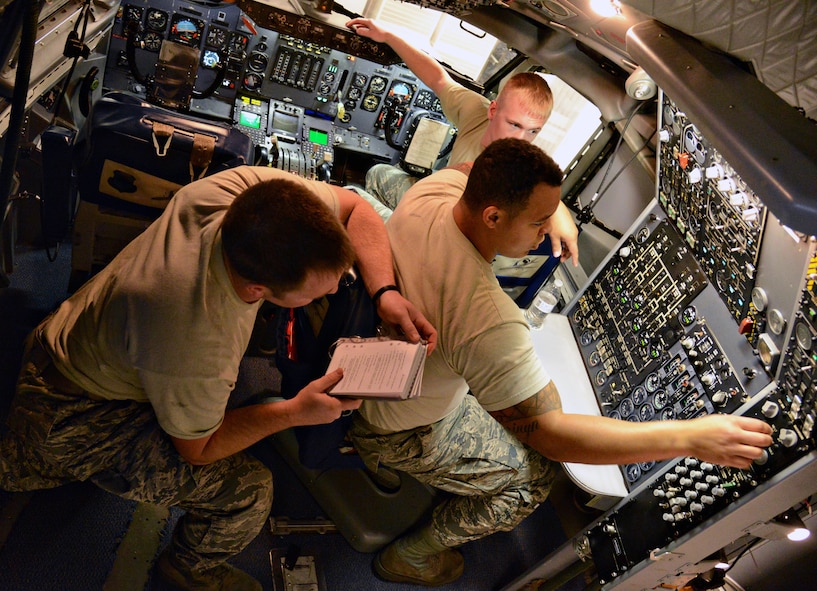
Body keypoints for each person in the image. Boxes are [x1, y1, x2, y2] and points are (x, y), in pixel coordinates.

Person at [347, 138, 774, 587]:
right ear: (493, 215)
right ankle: (410, 557)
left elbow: (477, 163)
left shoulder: (436, 191)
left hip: (376, 373)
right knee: (533, 479)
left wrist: (557, 213)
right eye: (537, 222)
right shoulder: (484, 318)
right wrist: (691, 437)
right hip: (395, 428)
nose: (542, 232)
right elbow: (553, 435)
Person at [0, 166, 436, 591]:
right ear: (256, 291)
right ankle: (188, 569)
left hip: (79, 331)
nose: (335, 287)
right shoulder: (198, 338)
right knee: (248, 493)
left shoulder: (239, 195)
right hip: (66, 414)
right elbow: (199, 450)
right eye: (320, 290)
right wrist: (293, 413)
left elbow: (355, 208)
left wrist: (385, 293)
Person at [346, 17, 580, 266]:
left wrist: (559, 212)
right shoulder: (474, 111)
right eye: (514, 125)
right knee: (377, 174)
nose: (522, 139)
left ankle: (395, 254)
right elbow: (437, 78)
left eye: (533, 131)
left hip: (442, 240)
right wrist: (388, 36)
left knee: (350, 198)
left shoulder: (524, 169)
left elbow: (542, 193)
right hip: (436, 202)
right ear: (492, 111)